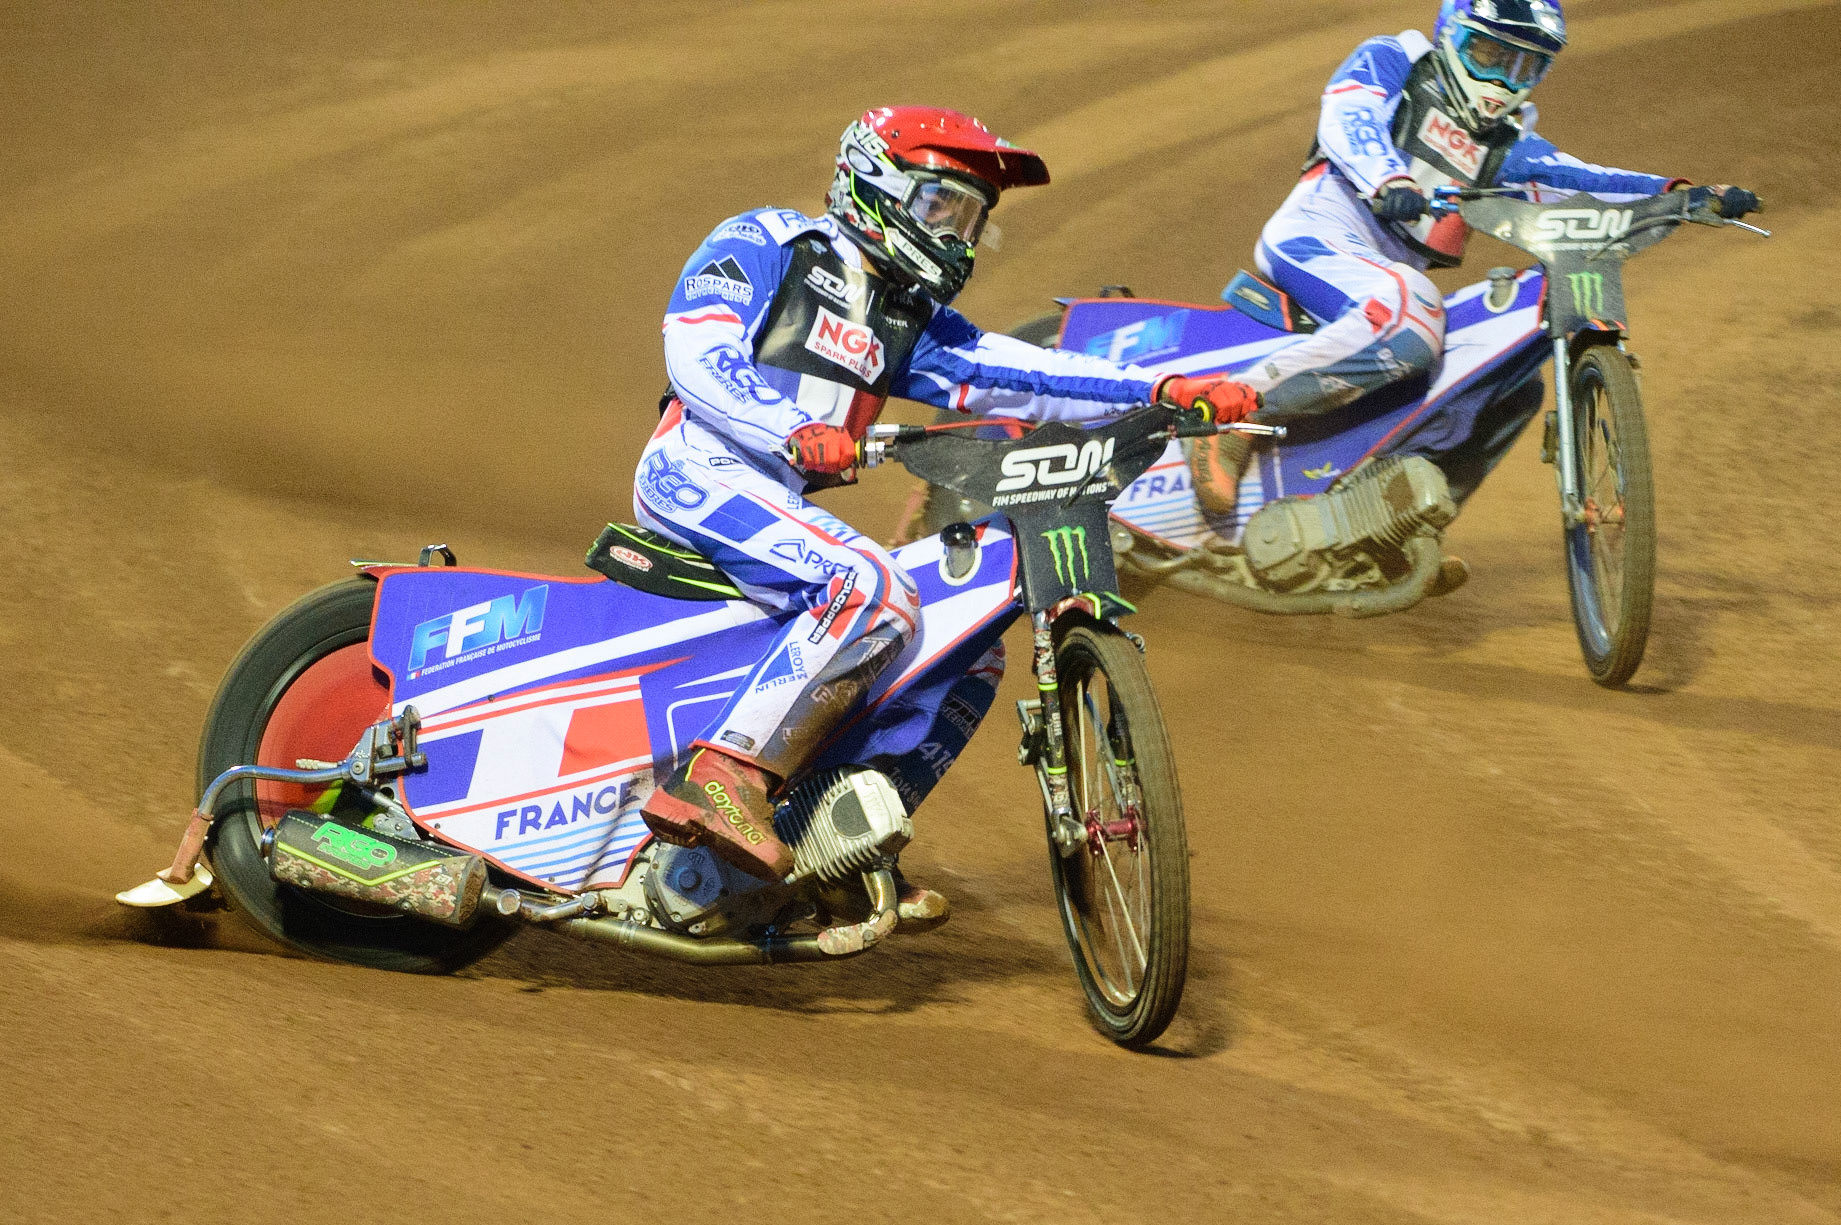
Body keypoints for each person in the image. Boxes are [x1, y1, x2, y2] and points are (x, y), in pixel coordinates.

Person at [636, 106, 1260, 884]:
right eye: (941, 204)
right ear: (877, 185)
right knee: (873, 585)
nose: (957, 232)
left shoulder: (905, 317)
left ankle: (834, 847)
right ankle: (720, 775)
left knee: (971, 656)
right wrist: (790, 427)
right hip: (698, 468)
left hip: (782, 499)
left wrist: (1161, 388)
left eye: (971, 215)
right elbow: (696, 347)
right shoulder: (769, 242)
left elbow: (1021, 374)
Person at [1187, 0, 1762, 512]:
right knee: (1415, 310)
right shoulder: (1396, 60)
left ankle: (1391, 520)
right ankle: (1228, 418)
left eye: (1524, 65)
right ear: (1453, 34)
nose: (1505, 79)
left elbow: (1583, 180)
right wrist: (1386, 178)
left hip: (1388, 276)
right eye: (1490, 53)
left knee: (1510, 378)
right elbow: (1349, 117)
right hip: (1321, 229)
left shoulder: (1509, 144)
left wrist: (1683, 197)